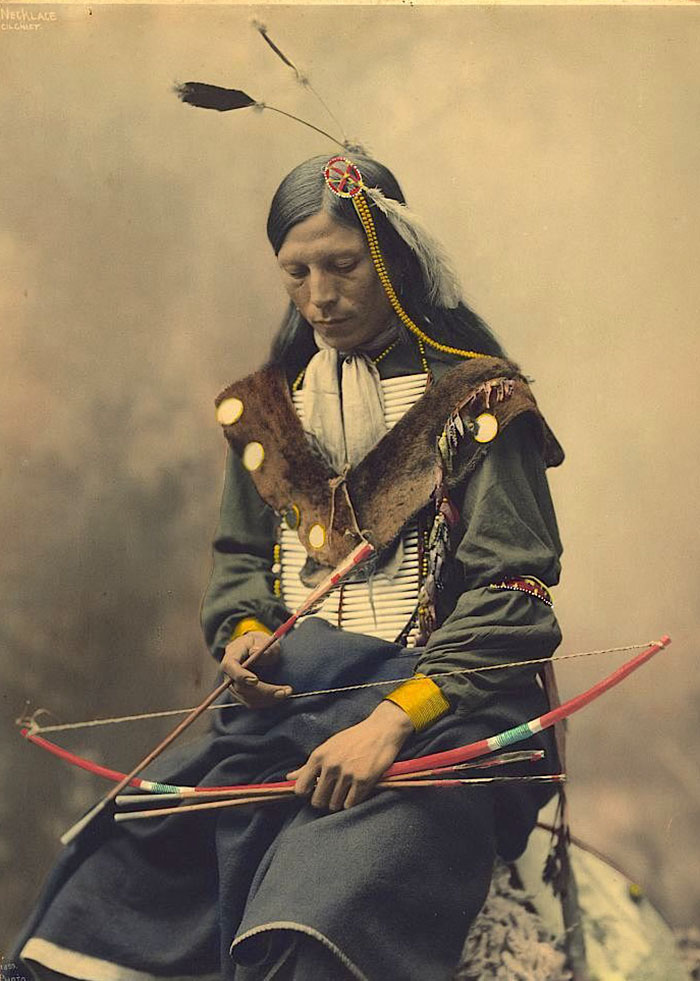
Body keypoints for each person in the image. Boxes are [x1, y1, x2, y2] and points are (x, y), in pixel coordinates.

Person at [14, 153, 564, 981]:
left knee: (311, 924)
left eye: (343, 266)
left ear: (395, 260)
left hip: (437, 714)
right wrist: (244, 633)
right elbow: (241, 559)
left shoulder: (478, 405)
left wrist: (390, 722)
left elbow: (514, 593)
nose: (319, 296)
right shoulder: (267, 413)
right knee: (103, 890)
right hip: (287, 712)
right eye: (296, 272)